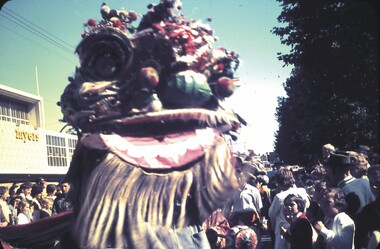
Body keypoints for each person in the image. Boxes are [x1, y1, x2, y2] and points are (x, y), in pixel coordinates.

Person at [268, 168, 310, 249]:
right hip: (300, 228)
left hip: (283, 232)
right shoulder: (302, 191)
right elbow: (307, 205)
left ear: (278, 182)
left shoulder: (279, 196)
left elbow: (271, 214)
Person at [324, 151, 375, 217]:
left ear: (335, 171)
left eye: (328, 170)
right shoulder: (367, 182)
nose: (327, 174)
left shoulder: (339, 194)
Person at [355, 165, 380, 249]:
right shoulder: (367, 211)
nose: (374, 187)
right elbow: (361, 242)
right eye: (371, 183)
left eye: (378, 182)